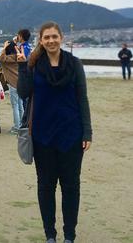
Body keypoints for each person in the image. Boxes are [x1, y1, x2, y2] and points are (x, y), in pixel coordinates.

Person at [17, 21, 92, 243]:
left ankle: (70, 235)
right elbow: (23, 93)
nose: (51, 41)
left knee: (71, 187)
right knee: (46, 186)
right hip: (42, 135)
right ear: (41, 40)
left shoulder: (74, 64)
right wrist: (22, 66)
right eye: (46, 37)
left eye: (54, 37)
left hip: (72, 134)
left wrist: (87, 132)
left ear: (61, 38)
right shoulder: (33, 64)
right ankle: (50, 234)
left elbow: (82, 99)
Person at [0, 39, 23, 134]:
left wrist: (4, 47)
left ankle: (17, 127)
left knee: (15, 106)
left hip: (13, 84)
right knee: (20, 105)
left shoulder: (7, 59)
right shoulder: (19, 56)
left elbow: (1, 58)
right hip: (21, 83)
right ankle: (22, 125)